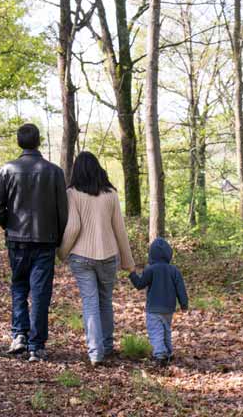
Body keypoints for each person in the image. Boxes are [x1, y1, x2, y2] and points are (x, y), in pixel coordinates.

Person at [0, 123, 68, 362]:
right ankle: (36, 345)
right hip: (45, 241)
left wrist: (9, 224)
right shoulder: (54, 172)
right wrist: (58, 236)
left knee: (19, 287)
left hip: (17, 240)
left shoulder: (7, 170)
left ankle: (19, 336)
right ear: (39, 141)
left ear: (19, 142)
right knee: (41, 292)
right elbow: (63, 212)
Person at [58, 152, 135, 366]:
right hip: (108, 255)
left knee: (90, 303)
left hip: (81, 257)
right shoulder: (111, 194)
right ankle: (107, 345)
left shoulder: (72, 193)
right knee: (105, 301)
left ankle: (95, 352)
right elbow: (120, 230)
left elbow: (73, 227)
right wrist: (129, 262)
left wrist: (61, 253)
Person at [129, 237, 188, 366]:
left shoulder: (150, 269)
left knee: (155, 331)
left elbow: (140, 284)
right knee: (166, 330)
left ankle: (160, 355)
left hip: (154, 308)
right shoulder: (174, 270)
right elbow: (181, 288)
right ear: (169, 254)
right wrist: (184, 304)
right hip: (168, 308)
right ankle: (168, 352)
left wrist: (132, 274)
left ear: (151, 254)